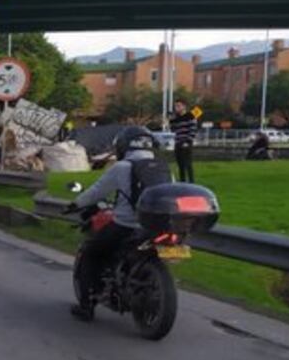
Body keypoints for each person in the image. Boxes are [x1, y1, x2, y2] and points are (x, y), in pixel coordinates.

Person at [66, 126, 171, 321]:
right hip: (154, 227)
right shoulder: (163, 167)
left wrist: (75, 203)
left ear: (123, 146)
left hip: (125, 226)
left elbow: (96, 192)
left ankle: (87, 305)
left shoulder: (122, 167)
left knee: (91, 252)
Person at [168, 100, 197, 183]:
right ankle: (182, 182)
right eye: (176, 106)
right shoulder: (176, 118)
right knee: (180, 165)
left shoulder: (190, 116)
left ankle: (191, 182)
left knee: (188, 164)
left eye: (179, 106)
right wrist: (171, 121)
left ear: (184, 106)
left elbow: (193, 130)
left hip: (186, 143)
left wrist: (187, 142)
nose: (177, 108)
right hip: (178, 142)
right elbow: (173, 130)